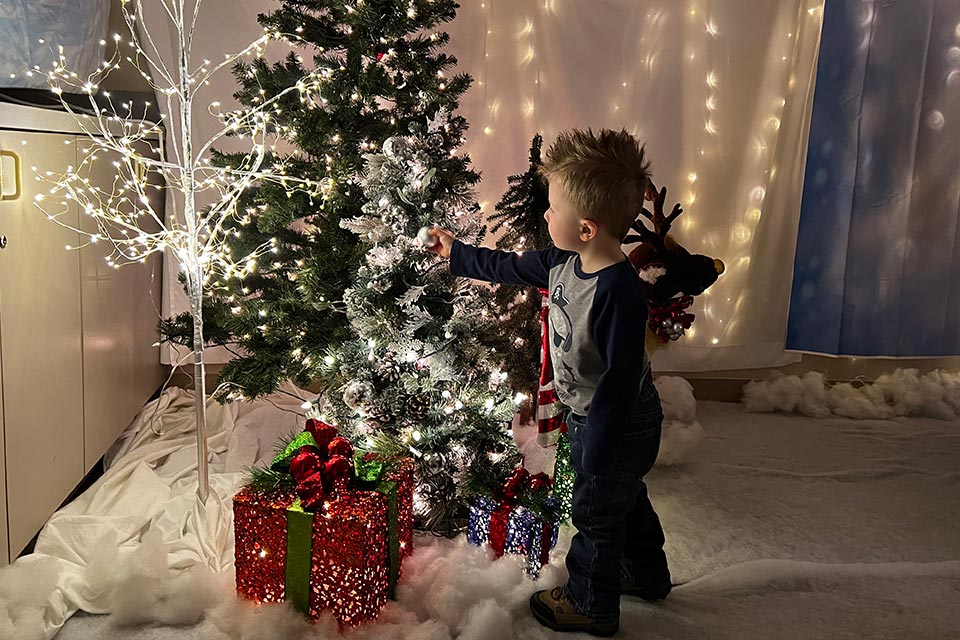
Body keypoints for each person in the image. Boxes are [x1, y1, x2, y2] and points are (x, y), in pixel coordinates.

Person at [427, 128, 671, 637]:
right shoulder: (566, 262)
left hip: (616, 422)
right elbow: (508, 266)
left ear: (585, 227)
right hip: (594, 416)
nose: (544, 215)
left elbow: (619, 387)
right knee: (624, 497)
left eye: (552, 207)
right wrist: (457, 253)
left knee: (596, 509)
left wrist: (598, 453)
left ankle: (591, 603)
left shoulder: (618, 295)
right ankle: (646, 573)